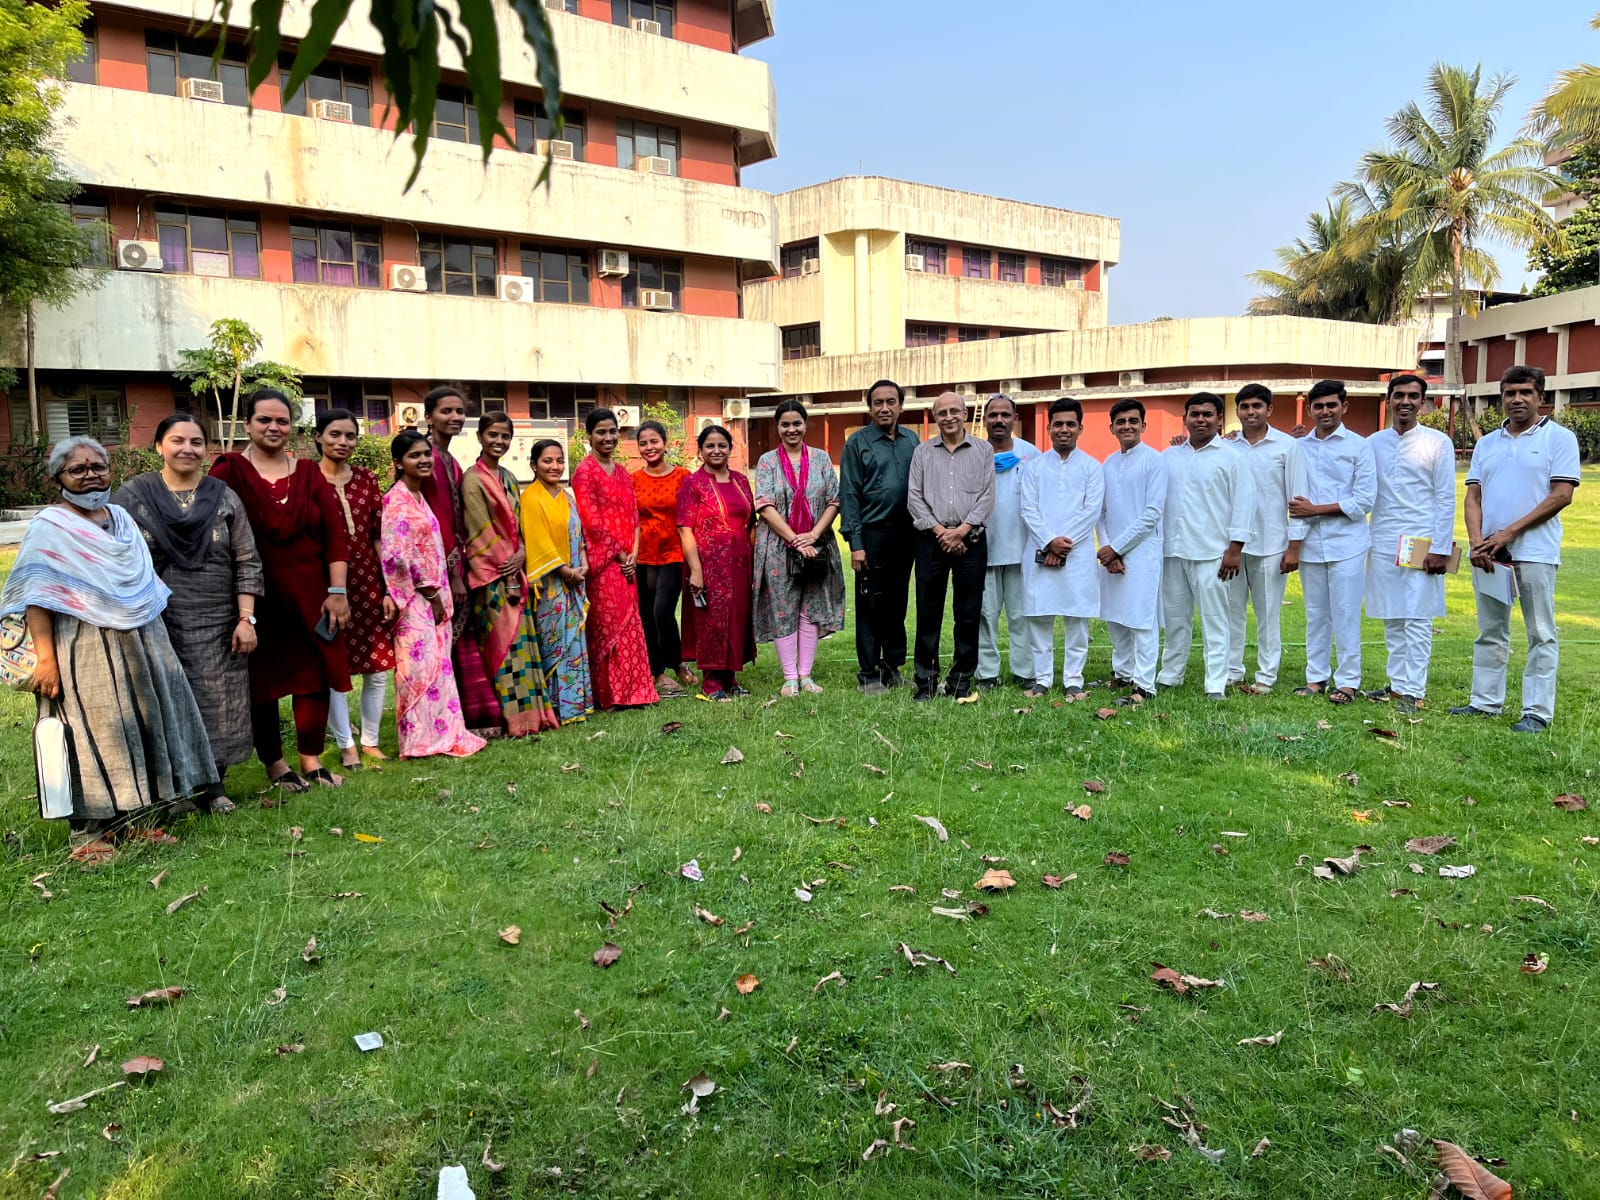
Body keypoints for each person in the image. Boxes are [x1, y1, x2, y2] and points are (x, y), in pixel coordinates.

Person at [3, 436, 215, 858]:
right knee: (89, 733)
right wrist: (46, 661)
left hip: (140, 639)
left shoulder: (120, 518)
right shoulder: (50, 526)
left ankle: (133, 821)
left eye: (98, 466)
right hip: (81, 645)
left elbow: (141, 580)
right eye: (77, 470)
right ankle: (87, 834)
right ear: (59, 478)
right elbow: (36, 598)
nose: (90, 476)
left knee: (139, 725)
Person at [115, 413, 263, 812]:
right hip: (154, 619)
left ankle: (213, 785)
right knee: (162, 698)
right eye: (177, 441)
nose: (187, 449)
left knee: (219, 700)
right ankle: (171, 789)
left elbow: (247, 559)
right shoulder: (132, 497)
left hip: (219, 621)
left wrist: (246, 618)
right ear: (159, 446)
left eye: (196, 442)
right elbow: (113, 558)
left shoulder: (223, 496)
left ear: (206, 449)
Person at [211, 389, 352, 790]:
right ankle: (274, 764)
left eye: (282, 421)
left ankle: (311, 760)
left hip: (312, 593)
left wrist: (337, 591)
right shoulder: (229, 471)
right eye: (264, 420)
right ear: (247, 425)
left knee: (314, 674)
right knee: (263, 679)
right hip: (254, 594)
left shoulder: (308, 473)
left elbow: (335, 535)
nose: (274, 427)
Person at [1450, 365, 1581, 733]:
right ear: (1502, 397)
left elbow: (1561, 495)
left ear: (1541, 396)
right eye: (1510, 393)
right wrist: (1477, 542)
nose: (1517, 399)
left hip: (1535, 551)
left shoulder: (1560, 438)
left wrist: (1508, 533)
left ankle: (1536, 712)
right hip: (1490, 554)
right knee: (1490, 630)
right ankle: (1484, 702)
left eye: (1525, 392)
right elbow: (1473, 497)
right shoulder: (1488, 443)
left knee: (1541, 632)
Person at [379, 431, 487, 759]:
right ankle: (418, 741)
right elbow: (397, 557)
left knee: (439, 667)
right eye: (414, 455)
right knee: (418, 670)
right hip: (415, 599)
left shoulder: (419, 497)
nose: (424, 460)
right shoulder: (396, 500)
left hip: (433, 595)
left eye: (426, 454)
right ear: (398, 462)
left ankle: (443, 734)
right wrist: (431, 594)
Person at [461, 411, 559, 735]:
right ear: (480, 437)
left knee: (524, 648)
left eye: (505, 436)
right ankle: (511, 720)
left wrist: (522, 554)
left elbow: (518, 526)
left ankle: (534, 717)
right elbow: (480, 531)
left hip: (516, 570)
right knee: (503, 648)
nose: (499, 441)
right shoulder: (472, 480)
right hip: (492, 578)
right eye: (493, 435)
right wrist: (508, 571)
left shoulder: (508, 477)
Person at [1364, 374, 1456, 714]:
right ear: (1389, 399)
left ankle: (1414, 691)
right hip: (1383, 537)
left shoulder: (1437, 443)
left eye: (1413, 396)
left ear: (1422, 402)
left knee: (1418, 616)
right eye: (1399, 395)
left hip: (1422, 539)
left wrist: (1440, 548)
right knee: (1392, 614)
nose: (1405, 402)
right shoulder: (1373, 443)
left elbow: (1446, 498)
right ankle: (1397, 684)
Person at [1157, 392, 1256, 699]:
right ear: (1185, 418)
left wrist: (1235, 549)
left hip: (1213, 552)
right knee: (1175, 619)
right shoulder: (1169, 457)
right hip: (1172, 551)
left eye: (1207, 414)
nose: (1201, 419)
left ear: (1219, 419)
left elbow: (1244, 505)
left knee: (1215, 620)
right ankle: (1170, 674)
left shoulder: (1233, 458)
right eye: (1195, 414)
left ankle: (1215, 683)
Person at [315, 409, 395, 768]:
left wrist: (387, 588)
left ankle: (371, 741)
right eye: (335, 434)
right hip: (327, 585)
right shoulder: (307, 479)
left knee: (377, 666)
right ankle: (345, 744)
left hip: (368, 582)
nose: (343, 442)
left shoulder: (366, 479)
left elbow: (378, 535)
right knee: (336, 666)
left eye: (350, 436)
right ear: (318, 437)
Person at [420, 385, 500, 732]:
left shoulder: (450, 460)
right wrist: (452, 575)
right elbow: (433, 519)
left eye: (459, 411)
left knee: (460, 644)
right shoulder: (425, 456)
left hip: (455, 564)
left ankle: (463, 717)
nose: (454, 417)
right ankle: (439, 721)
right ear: (428, 416)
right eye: (446, 411)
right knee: (439, 646)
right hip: (434, 569)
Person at [906, 391, 996, 701]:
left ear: (965, 413)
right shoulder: (922, 452)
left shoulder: (983, 450)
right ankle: (926, 683)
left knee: (968, 614)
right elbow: (914, 497)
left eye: (954, 411)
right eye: (942, 412)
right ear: (935, 417)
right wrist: (942, 532)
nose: (949, 417)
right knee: (928, 613)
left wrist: (961, 531)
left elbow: (987, 496)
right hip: (931, 541)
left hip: (971, 540)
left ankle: (961, 681)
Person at [753, 399, 845, 696]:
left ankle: (806, 675)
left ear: (806, 425)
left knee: (809, 608)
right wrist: (795, 539)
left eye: (796, 423)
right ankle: (790, 677)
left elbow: (834, 500)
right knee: (784, 609)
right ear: (777, 427)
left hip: (816, 546)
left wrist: (813, 536)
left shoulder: (820, 459)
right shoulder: (767, 461)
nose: (791, 429)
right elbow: (764, 504)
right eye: (785, 424)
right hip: (778, 547)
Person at [1291, 380, 1375, 704]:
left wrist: (1316, 509)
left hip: (1348, 543)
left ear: (1344, 406)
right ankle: (1315, 678)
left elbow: (1364, 500)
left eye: (1331, 405)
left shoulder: (1359, 446)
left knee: (1345, 613)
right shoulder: (1299, 447)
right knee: (1315, 613)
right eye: (1319, 406)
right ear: (1310, 410)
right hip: (1311, 542)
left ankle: (1348, 682)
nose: (1325, 411)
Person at [572, 408, 659, 708]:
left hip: (628, 562)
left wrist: (633, 553)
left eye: (612, 431)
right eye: (601, 432)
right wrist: (621, 555)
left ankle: (636, 691)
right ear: (589, 436)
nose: (608, 437)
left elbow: (634, 516)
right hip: (604, 563)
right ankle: (610, 694)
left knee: (631, 622)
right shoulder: (584, 472)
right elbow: (591, 521)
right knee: (608, 625)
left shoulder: (622, 472)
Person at [1225, 384, 1308, 695]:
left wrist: (1294, 545)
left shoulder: (1287, 447)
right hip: (1232, 545)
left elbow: (1297, 498)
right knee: (1231, 611)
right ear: (1238, 411)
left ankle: (1266, 676)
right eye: (1244, 406)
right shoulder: (1227, 447)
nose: (1250, 412)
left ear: (1269, 409)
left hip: (1271, 544)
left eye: (1257, 406)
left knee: (1268, 614)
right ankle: (1232, 671)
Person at [839, 379, 920, 695]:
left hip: (906, 536)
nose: (884, 408)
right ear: (869, 407)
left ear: (901, 406)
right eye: (878, 402)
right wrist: (856, 544)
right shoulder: (857, 443)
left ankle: (892, 667)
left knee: (897, 604)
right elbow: (849, 493)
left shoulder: (912, 440)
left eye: (891, 402)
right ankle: (869, 674)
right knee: (871, 605)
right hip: (872, 537)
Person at [1019, 397, 1104, 699]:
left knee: (1076, 618)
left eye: (1070, 424)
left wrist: (1062, 545)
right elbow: (1028, 509)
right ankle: (1042, 679)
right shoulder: (1034, 467)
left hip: (1076, 555)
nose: (1064, 429)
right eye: (1058, 424)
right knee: (1039, 617)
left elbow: (1092, 511)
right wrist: (1049, 542)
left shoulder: (1092, 467)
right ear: (1049, 428)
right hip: (1040, 552)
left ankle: (1073, 679)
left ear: (1081, 428)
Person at [677, 423, 757, 700]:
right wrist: (696, 570)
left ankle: (730, 678)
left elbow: (751, 522)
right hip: (709, 563)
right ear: (700, 450)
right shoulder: (693, 483)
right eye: (709, 446)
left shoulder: (741, 480)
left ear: (730, 449)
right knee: (712, 620)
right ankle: (711, 683)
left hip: (740, 561)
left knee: (737, 617)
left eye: (722, 445)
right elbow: (685, 529)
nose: (716, 450)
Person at [520, 439, 596, 724]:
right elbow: (538, 542)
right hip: (551, 584)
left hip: (576, 580)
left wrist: (583, 565)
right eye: (547, 461)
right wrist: (566, 572)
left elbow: (579, 534)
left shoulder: (567, 497)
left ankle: (577, 705)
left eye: (559, 461)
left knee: (575, 640)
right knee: (554, 642)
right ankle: (556, 707)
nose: (555, 466)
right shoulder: (531, 499)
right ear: (534, 465)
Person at [1097, 399, 1166, 700]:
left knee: (1141, 618)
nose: (1127, 426)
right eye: (1121, 422)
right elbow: (1100, 512)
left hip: (1143, 552)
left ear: (1143, 425)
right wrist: (1107, 548)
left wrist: (1117, 548)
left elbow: (1152, 514)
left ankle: (1144, 684)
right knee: (1115, 615)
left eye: (1133, 421)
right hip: (1112, 553)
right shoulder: (1108, 464)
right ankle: (1122, 673)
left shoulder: (1154, 461)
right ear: (1111, 428)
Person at [976, 394, 1042, 690]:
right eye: (993, 415)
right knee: (985, 616)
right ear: (985, 420)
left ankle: (1025, 671)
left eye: (1005, 415)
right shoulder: (974, 453)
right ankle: (987, 673)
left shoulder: (1031, 454)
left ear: (1015, 419)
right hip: (984, 549)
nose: (999, 420)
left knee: (1021, 615)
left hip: (1022, 550)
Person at [631, 421, 695, 697]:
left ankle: (677, 662)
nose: (649, 447)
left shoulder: (683, 476)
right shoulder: (633, 479)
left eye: (654, 441)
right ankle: (657, 671)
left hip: (674, 552)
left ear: (665, 443)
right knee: (646, 615)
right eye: (643, 443)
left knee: (663, 612)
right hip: (643, 554)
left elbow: (691, 517)